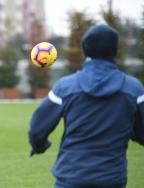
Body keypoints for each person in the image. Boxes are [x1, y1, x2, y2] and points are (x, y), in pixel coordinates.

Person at [28, 25, 144, 188]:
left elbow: (37, 128)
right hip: (112, 179)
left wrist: (39, 146)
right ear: (115, 50)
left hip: (71, 178)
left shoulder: (66, 87)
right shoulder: (134, 89)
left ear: (85, 50)